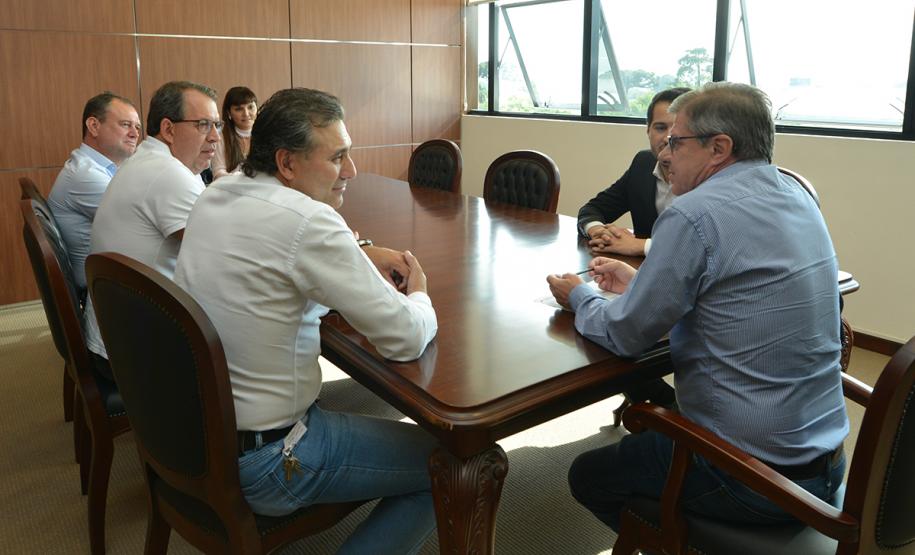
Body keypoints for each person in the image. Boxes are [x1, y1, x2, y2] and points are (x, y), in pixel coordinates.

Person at [547, 82, 848, 530]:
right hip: (827, 463)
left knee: (587, 475)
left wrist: (581, 296)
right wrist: (639, 283)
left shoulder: (694, 213)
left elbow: (625, 336)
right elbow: (733, 291)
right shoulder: (793, 192)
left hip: (749, 475)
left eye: (676, 141)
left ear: (719, 148)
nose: (664, 154)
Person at [173, 88, 439, 554]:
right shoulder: (308, 221)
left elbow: (272, 268)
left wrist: (355, 256)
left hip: (197, 434)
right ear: (287, 163)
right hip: (271, 457)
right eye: (338, 158)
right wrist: (418, 291)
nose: (351, 171)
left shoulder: (220, 191)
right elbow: (405, 337)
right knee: (456, 464)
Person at [83, 80, 219, 372]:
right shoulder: (166, 173)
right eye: (204, 125)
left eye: (217, 125)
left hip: (120, 325)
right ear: (169, 129)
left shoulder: (156, 160)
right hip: (135, 346)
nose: (216, 138)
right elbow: (223, 256)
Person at [578, 87, 690, 256]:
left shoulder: (707, 175)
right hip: (637, 273)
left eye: (678, 130)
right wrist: (598, 231)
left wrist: (640, 246)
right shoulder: (643, 163)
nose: (668, 137)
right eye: (660, 127)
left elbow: (704, 247)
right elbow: (593, 209)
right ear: (648, 130)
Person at [48, 92, 141, 295]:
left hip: (111, 277)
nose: (135, 133)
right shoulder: (85, 176)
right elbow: (140, 227)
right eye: (126, 124)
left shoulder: (104, 169)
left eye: (137, 127)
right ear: (94, 126)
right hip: (105, 291)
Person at [211, 86, 257, 180]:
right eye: (239, 109)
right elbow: (218, 172)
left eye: (250, 107)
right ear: (229, 113)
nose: (246, 114)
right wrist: (237, 178)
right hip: (233, 189)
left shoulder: (267, 133)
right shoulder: (221, 137)